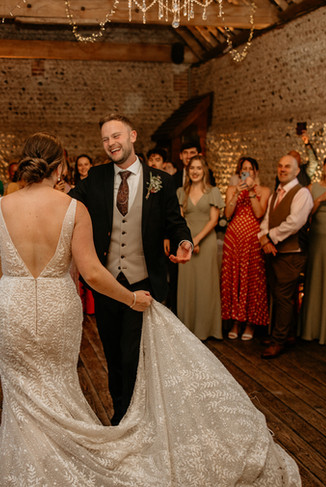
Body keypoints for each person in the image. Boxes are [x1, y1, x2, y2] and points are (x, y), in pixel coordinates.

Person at [0, 132, 301, 487]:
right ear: (59, 166)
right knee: (58, 384)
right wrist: (131, 297)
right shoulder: (72, 208)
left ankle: (24, 464)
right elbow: (93, 272)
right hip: (55, 307)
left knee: (21, 389)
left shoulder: (1, 205)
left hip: (13, 306)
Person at [70, 113, 193, 425]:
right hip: (107, 284)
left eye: (116, 136)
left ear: (133, 136)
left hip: (143, 283)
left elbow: (175, 222)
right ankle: (121, 412)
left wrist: (183, 241)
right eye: (106, 139)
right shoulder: (95, 179)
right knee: (113, 355)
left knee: (133, 354)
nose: (111, 143)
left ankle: (134, 418)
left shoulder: (161, 182)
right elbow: (67, 206)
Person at [258, 154, 313, 358]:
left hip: (291, 253)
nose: (282, 169)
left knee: (283, 297)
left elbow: (295, 222)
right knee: (278, 295)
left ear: (297, 171)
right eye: (280, 166)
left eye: (287, 167)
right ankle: (285, 334)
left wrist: (270, 237)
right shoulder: (275, 193)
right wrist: (263, 238)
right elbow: (266, 219)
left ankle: (278, 341)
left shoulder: (302, 194)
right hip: (273, 252)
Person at [221, 157, 271, 340]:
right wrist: (236, 194)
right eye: (244, 169)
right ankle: (235, 321)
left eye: (251, 169)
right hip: (233, 240)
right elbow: (227, 214)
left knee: (251, 280)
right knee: (234, 280)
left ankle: (250, 324)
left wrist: (250, 192)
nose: (247, 171)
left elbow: (259, 213)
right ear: (239, 172)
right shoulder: (232, 189)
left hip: (253, 241)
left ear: (256, 172)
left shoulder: (264, 191)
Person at [177, 155, 224, 340]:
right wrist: (188, 241)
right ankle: (187, 329)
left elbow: (214, 220)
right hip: (186, 243)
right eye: (192, 168)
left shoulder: (213, 191)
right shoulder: (181, 192)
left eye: (198, 168)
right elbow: (180, 220)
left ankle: (207, 329)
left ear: (204, 170)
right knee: (187, 285)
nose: (195, 171)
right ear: (188, 171)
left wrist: (196, 241)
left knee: (206, 286)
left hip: (206, 242)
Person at [301, 152, 326, 346]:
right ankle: (311, 328)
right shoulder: (312, 188)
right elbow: (304, 215)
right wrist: (320, 199)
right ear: (323, 166)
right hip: (317, 240)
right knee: (315, 279)